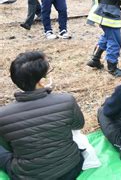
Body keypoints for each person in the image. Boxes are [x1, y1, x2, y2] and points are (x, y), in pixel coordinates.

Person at [0, 51, 85, 179]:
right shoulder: (66, 100)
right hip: (71, 168)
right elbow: (78, 125)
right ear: (40, 81)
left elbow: (8, 146)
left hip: (28, 176)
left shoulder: (3, 115)